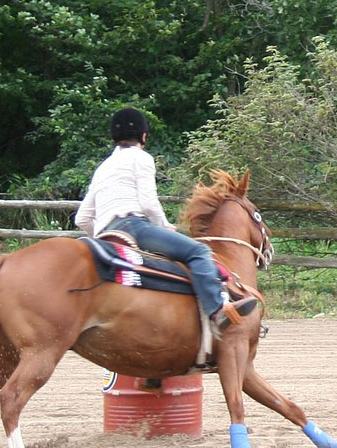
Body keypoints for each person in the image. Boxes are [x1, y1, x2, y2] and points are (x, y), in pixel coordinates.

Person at [75, 107, 257, 331]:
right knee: (198, 252)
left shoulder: (103, 167)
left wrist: (103, 238)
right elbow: (148, 203)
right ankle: (217, 310)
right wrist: (165, 226)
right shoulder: (141, 158)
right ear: (143, 136)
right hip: (133, 226)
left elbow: (82, 218)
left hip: (105, 235)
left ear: (114, 138)